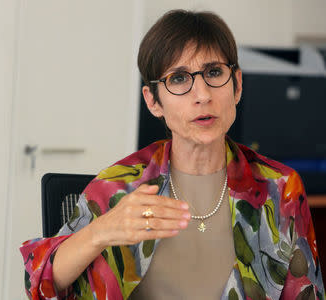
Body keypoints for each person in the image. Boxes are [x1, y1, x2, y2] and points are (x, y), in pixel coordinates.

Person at [20, 9, 325, 300]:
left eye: (214, 72)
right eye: (179, 78)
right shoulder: (119, 186)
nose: (203, 95)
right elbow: (43, 282)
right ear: (153, 101)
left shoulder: (281, 188)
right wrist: (102, 230)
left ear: (237, 85)